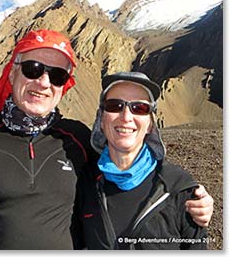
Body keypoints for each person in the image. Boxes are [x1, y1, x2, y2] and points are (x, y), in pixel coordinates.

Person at [0, 30, 213, 250]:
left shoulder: (76, 138)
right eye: (33, 68)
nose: (43, 82)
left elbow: (127, 161)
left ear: (63, 86)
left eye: (56, 75)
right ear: (12, 72)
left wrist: (186, 194)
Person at [73, 72, 210, 250]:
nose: (126, 117)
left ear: (150, 125)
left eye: (139, 108)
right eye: (115, 106)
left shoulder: (180, 190)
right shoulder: (83, 184)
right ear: (101, 120)